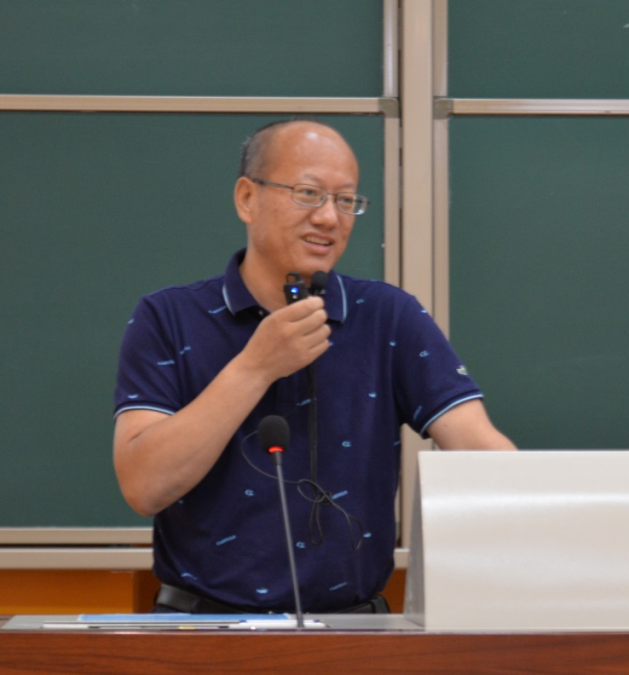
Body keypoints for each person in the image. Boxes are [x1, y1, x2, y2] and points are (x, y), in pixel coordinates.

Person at [113, 120, 514, 614]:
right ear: (247, 198)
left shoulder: (389, 316)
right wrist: (255, 367)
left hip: (354, 632)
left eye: (346, 201)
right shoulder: (168, 317)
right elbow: (144, 487)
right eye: (308, 193)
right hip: (202, 628)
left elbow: (479, 447)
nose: (328, 217)